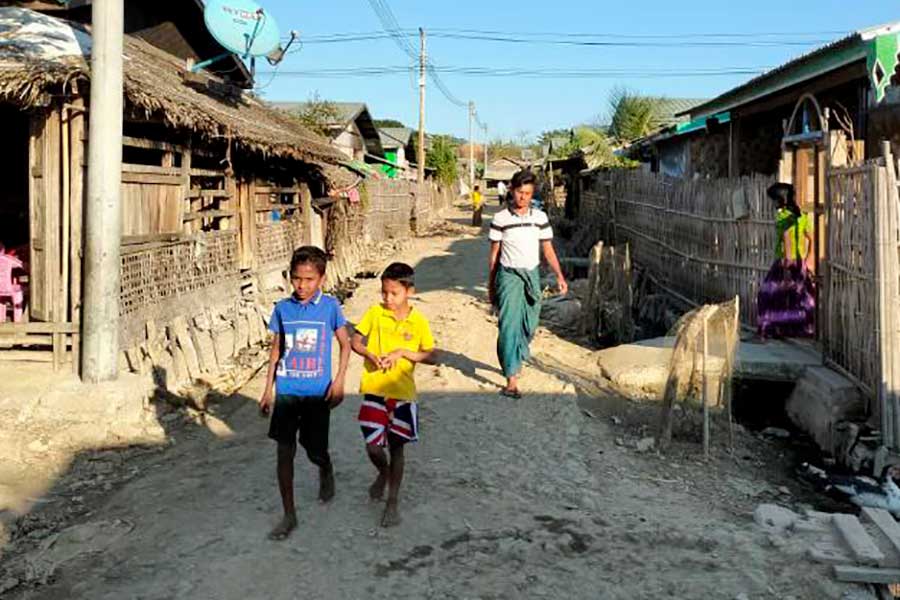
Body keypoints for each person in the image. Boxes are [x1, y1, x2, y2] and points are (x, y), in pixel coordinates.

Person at [259, 246, 351, 541]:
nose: (302, 285)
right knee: (284, 452)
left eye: (309, 279)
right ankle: (289, 515)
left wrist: (339, 381)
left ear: (321, 279)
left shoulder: (330, 307)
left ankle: (325, 469)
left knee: (314, 450)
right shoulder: (283, 309)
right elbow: (276, 349)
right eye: (297, 278)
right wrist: (267, 391)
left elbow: (345, 344)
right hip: (287, 391)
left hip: (317, 393)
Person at [351, 262, 435, 527]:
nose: (387, 298)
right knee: (373, 447)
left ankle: (393, 501)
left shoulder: (418, 321)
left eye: (394, 293)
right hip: (375, 389)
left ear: (410, 291)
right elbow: (355, 340)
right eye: (384, 292)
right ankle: (383, 473)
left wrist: (402, 353)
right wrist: (368, 353)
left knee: (397, 448)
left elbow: (431, 355)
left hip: (403, 394)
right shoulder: (375, 314)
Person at [488, 170, 567, 398]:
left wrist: (559, 275)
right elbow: (494, 254)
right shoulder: (500, 219)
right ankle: (511, 378)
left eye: (528, 193)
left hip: (531, 275)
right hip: (509, 275)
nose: (523, 197)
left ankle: (519, 352)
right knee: (509, 325)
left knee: (530, 323)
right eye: (520, 192)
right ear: (512, 191)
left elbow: (548, 249)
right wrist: (492, 284)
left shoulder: (539, 217)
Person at [757, 182, 816, 339]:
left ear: (781, 199)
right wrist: (810, 257)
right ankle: (801, 330)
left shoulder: (783, 216)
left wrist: (787, 265)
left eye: (774, 200)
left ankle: (768, 328)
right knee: (800, 296)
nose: (773, 203)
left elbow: (787, 239)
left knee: (767, 294)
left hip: (785, 261)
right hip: (800, 262)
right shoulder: (801, 215)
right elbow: (811, 238)